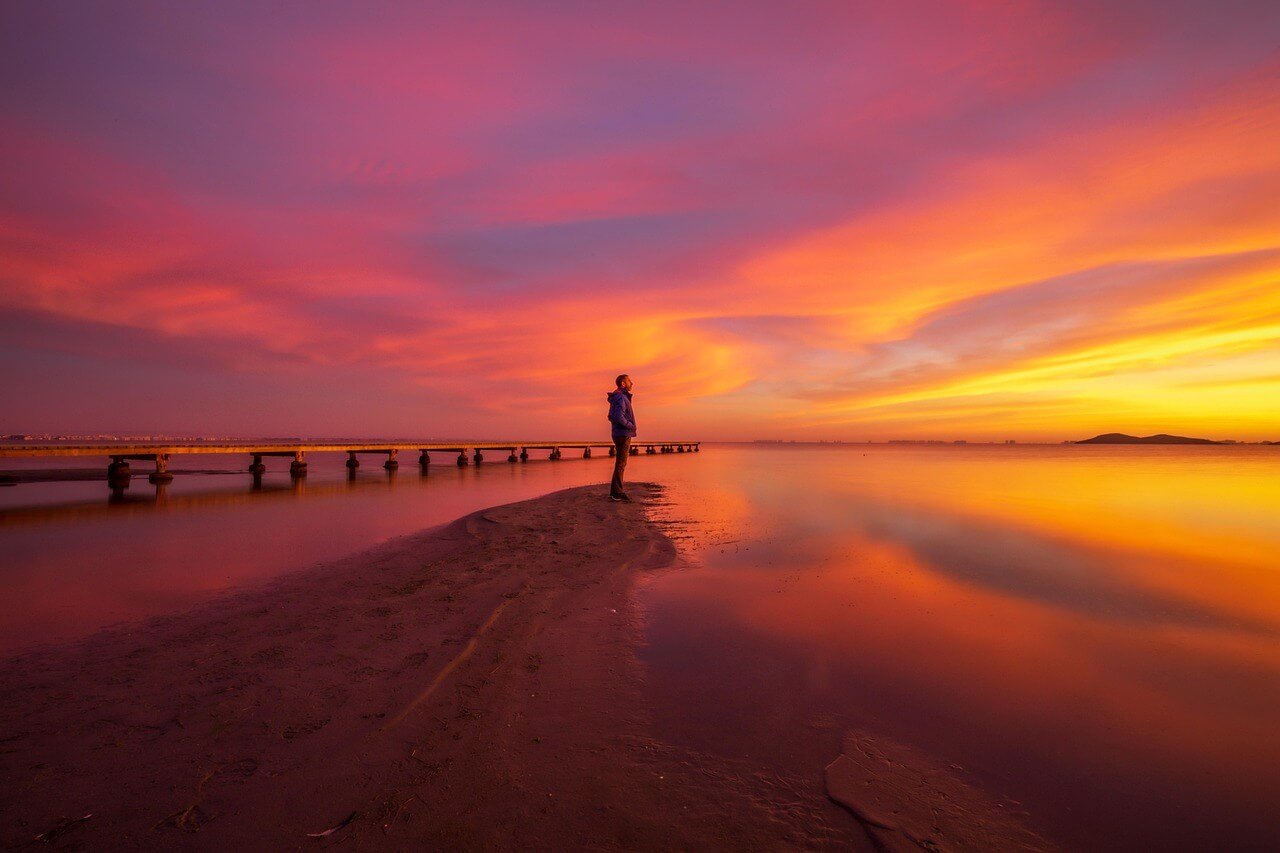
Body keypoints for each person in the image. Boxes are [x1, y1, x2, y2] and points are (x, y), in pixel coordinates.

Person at [606, 373, 636, 501]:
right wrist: (630, 425)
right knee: (621, 463)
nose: (632, 383)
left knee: (620, 463)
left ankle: (615, 492)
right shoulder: (620, 397)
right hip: (623, 433)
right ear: (623, 384)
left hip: (618, 433)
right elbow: (617, 416)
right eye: (629, 381)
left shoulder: (617, 397)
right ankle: (617, 493)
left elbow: (610, 416)